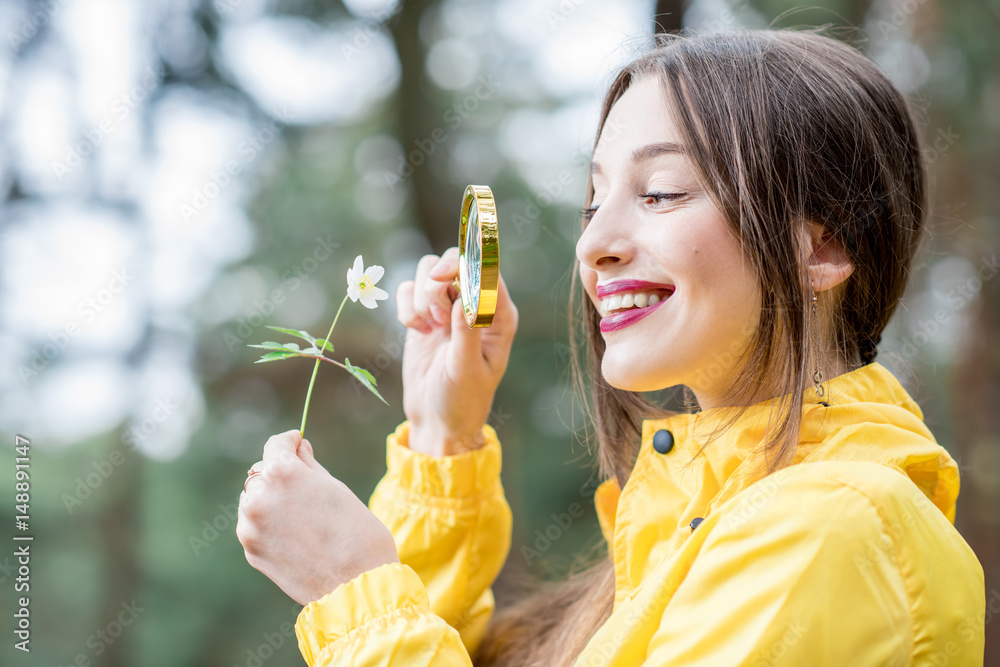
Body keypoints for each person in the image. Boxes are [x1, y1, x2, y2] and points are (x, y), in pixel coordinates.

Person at [235, 29, 986, 666]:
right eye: (593, 201)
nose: (593, 243)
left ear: (822, 246)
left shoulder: (837, 526)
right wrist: (442, 439)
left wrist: (351, 589)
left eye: (660, 191)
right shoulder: (686, 529)